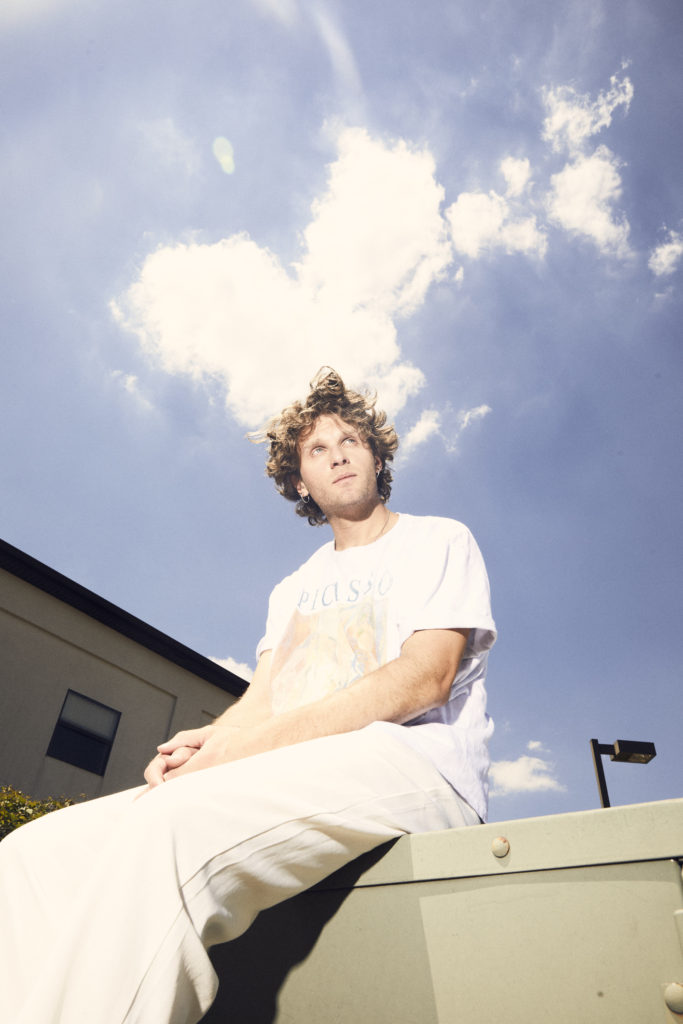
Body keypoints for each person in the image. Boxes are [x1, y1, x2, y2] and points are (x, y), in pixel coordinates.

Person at [0, 368, 496, 1024]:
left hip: (417, 768)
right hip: (302, 770)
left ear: (376, 456)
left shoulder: (438, 539)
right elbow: (263, 700)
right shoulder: (294, 586)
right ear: (298, 481)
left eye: (351, 439)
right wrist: (208, 742)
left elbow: (423, 677)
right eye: (317, 449)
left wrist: (246, 748)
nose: (339, 453)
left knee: (173, 827)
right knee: (34, 853)